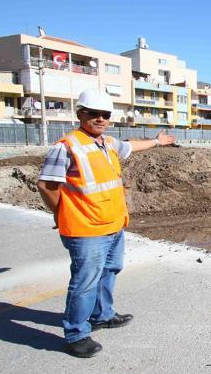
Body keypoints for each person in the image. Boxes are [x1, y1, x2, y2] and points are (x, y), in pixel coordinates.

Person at [36, 88, 176, 358]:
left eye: (105, 115)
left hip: (113, 225)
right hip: (86, 229)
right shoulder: (66, 147)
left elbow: (131, 146)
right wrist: (60, 213)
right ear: (80, 114)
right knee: (84, 281)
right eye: (94, 114)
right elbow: (47, 185)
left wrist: (157, 142)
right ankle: (77, 333)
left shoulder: (107, 143)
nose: (100, 119)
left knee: (110, 270)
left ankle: (103, 315)